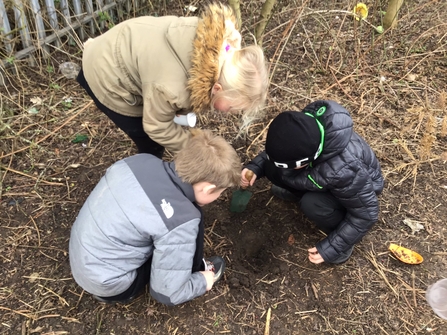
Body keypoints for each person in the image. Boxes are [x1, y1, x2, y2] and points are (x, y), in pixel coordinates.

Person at [69, 129, 241, 305]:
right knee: (190, 218)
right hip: (109, 283)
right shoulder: (181, 220)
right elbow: (168, 294)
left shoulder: (141, 160)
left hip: (82, 255)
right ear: (208, 189)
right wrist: (202, 281)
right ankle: (197, 270)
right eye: (220, 192)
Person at [76, 3, 269, 158]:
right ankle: (146, 175)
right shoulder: (172, 88)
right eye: (232, 108)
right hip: (106, 71)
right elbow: (156, 126)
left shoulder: (222, 46)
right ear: (217, 87)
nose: (231, 113)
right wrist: (197, 150)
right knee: (149, 141)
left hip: (123, 44)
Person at [240, 100, 384, 264]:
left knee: (313, 203)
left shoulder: (345, 169)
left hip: (353, 192)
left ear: (308, 159)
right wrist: (256, 167)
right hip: (322, 174)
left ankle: (339, 238)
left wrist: (332, 247)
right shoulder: (302, 128)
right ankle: (297, 192)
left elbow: (366, 214)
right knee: (273, 168)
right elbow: (277, 152)